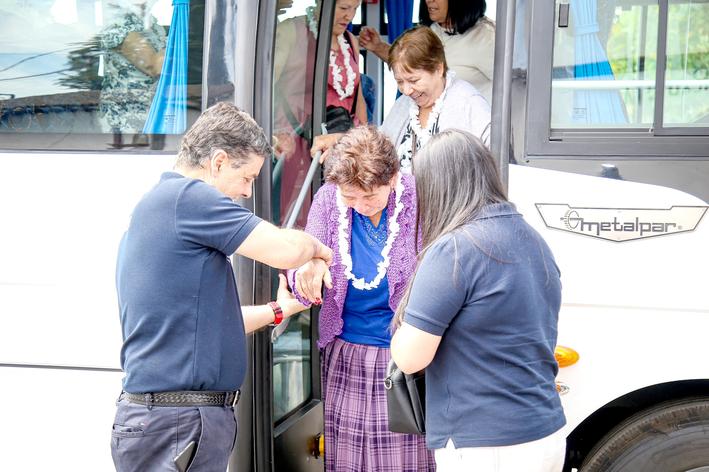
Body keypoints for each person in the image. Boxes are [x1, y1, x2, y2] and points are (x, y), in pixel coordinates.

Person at [111, 102, 333, 472]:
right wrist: (319, 251)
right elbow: (284, 250)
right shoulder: (189, 198)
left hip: (169, 419)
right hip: (178, 420)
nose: (247, 192)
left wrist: (279, 310)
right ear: (218, 162)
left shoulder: (165, 206)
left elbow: (208, 324)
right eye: (247, 177)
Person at [389, 129, 567, 472]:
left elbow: (409, 358)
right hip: (545, 430)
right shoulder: (533, 239)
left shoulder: (455, 249)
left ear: (437, 187)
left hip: (485, 444)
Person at [288, 126, 435, 471]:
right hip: (346, 355)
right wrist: (307, 267)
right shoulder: (329, 199)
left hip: (404, 358)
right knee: (348, 460)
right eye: (350, 197)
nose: (359, 205)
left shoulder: (420, 198)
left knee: (403, 462)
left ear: (393, 179)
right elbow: (304, 256)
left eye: (369, 197)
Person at [313, 26, 490, 174]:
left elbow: (490, 171)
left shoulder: (470, 104)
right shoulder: (404, 104)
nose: (406, 90)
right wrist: (341, 141)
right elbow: (380, 148)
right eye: (399, 82)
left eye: (413, 80)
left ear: (438, 68)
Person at [272, 0, 366, 226]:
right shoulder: (290, 32)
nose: (349, 16)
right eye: (343, 8)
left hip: (342, 143)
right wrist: (272, 133)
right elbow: (266, 88)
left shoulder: (350, 41)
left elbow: (358, 98)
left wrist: (364, 141)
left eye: (355, 9)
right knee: (296, 214)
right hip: (297, 139)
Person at [360, 0, 495, 102]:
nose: (429, 1)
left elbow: (506, 90)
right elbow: (410, 64)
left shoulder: (486, 37)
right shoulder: (432, 29)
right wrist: (378, 47)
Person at [99, 1, 166, 136]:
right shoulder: (120, 23)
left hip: (150, 110)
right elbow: (154, 66)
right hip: (127, 117)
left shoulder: (149, 22)